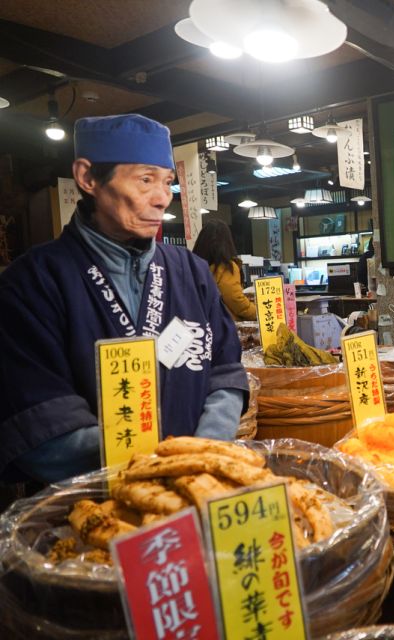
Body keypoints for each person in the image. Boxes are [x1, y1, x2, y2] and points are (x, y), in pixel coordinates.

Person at [0, 114, 248, 488]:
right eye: (145, 180)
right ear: (88, 178)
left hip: (197, 488)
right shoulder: (32, 282)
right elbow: (40, 421)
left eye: (167, 182)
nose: (162, 198)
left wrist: (199, 460)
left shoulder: (192, 272)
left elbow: (225, 372)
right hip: (89, 503)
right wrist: (157, 471)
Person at [192, 219, 257, 321]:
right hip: (222, 324)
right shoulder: (226, 267)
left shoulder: (193, 265)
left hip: (198, 322)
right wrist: (257, 313)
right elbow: (235, 299)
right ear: (227, 242)